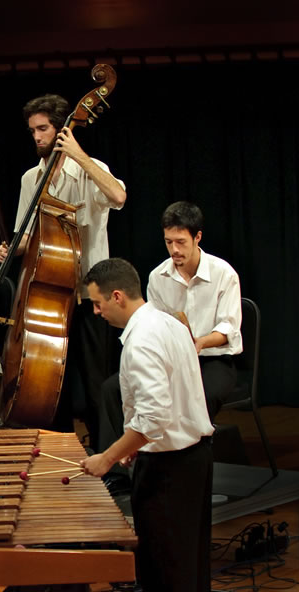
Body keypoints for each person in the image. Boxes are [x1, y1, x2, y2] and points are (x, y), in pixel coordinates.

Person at [79, 259, 213, 592]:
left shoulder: (139, 343)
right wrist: (136, 439)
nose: (96, 313)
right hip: (193, 457)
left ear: (117, 296)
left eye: (97, 304)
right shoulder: (169, 321)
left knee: (163, 574)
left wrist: (107, 458)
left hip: (169, 468)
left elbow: (153, 418)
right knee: (190, 568)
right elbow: (167, 402)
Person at [0, 94, 128, 446]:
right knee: (54, 377)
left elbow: (118, 198)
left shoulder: (88, 168)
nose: (37, 137)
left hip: (88, 294)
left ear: (61, 130)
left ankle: (108, 458)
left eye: (43, 129)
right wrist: (12, 249)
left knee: (96, 378)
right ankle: (58, 448)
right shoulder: (30, 179)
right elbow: (28, 237)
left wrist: (79, 156)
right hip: (47, 291)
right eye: (33, 131)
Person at [97, 201, 241, 493]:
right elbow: (153, 323)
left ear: (197, 237)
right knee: (112, 389)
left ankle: (190, 467)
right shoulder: (158, 277)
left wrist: (198, 342)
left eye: (181, 242)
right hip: (173, 359)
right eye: (168, 242)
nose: (174, 250)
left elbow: (228, 330)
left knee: (203, 393)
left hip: (213, 360)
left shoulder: (224, 274)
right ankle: (126, 465)